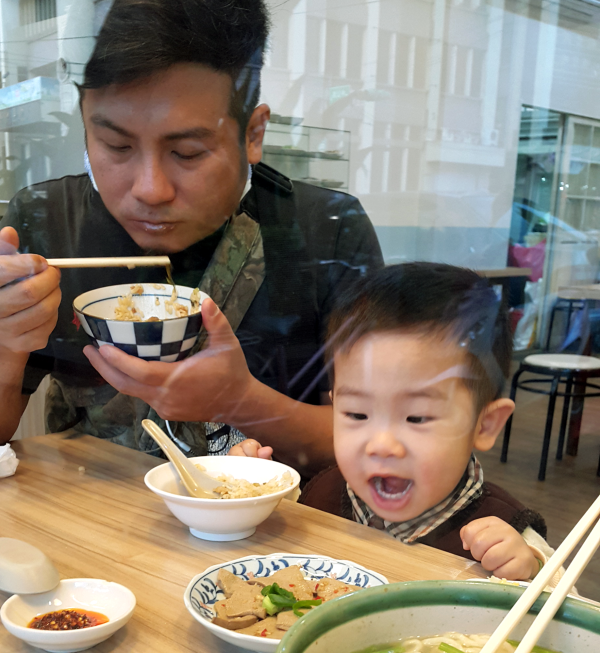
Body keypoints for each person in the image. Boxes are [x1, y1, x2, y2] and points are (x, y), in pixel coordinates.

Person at [0, 0, 382, 476]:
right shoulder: (47, 222)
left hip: (272, 537)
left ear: (253, 133)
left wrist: (241, 400)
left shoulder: (327, 229)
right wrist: (4, 348)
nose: (149, 189)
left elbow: (378, 442)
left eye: (187, 152)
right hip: (92, 521)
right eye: (116, 146)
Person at [234, 263, 554, 580]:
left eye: (416, 417)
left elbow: (568, 605)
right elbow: (290, 547)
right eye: (357, 414)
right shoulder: (323, 494)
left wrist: (532, 569)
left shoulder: (504, 532)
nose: (381, 444)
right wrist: (258, 497)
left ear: (484, 425)